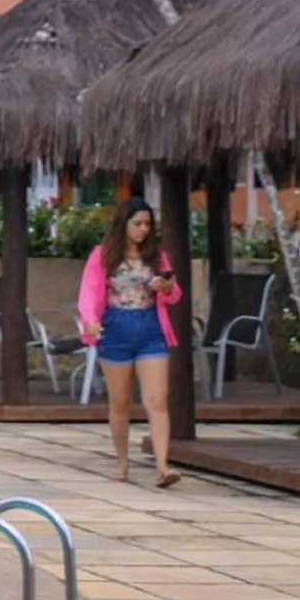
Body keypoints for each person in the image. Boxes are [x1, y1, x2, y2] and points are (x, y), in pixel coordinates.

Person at [78, 197, 185, 487]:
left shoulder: (157, 257)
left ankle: (163, 466)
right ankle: (122, 463)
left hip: (150, 328)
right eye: (137, 223)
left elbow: (174, 295)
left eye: (147, 224)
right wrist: (90, 320)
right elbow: (88, 294)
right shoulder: (102, 256)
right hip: (115, 329)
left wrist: (167, 287)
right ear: (123, 224)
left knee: (158, 399)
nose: (143, 230)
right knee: (120, 401)